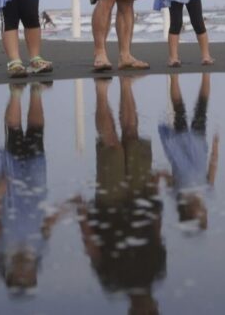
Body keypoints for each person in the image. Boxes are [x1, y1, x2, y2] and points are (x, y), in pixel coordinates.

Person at [71, 76, 166, 314]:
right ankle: (125, 86)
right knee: (132, 134)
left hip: (109, 207)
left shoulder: (113, 283)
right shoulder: (157, 272)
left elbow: (93, 248)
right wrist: (155, 193)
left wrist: (83, 216)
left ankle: (102, 95)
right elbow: (156, 232)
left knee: (111, 144)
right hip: (142, 199)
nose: (148, 309)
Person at [0, 82, 66, 294]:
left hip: (11, 192)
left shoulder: (1, 247)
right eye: (29, 275)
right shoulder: (39, 249)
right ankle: (36, 94)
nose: (25, 269)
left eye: (20, 275)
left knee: (13, 137)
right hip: (36, 186)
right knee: (36, 135)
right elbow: (48, 223)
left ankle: (15, 94)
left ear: (9, 272)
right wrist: (68, 207)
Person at [159, 73, 219, 233]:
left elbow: (166, 176)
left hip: (183, 145)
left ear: (191, 213)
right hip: (196, 144)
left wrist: (159, 176)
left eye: (202, 214)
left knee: (181, 110)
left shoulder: (179, 193)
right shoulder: (203, 190)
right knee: (200, 108)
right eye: (205, 214)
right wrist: (215, 146)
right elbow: (213, 166)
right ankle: (205, 77)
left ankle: (174, 78)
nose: (204, 210)